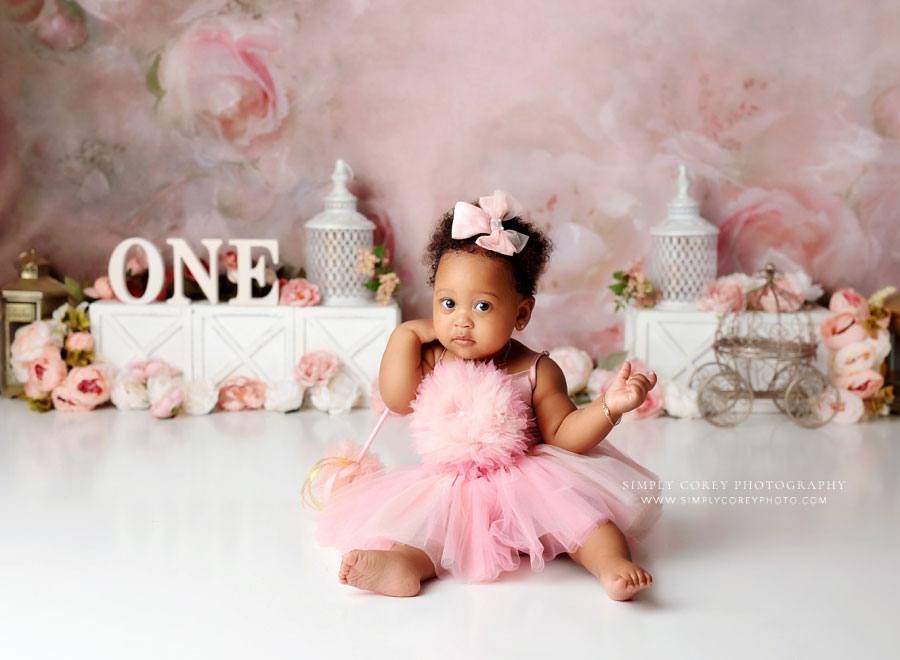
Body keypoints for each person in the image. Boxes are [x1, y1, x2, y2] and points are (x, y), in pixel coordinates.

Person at [313, 190, 663, 599]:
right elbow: (396, 399)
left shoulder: (536, 369)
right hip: (454, 485)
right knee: (431, 530)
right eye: (447, 303)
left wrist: (609, 406)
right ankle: (403, 566)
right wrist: (406, 333)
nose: (461, 320)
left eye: (482, 307)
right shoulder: (436, 357)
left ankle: (611, 565)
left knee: (590, 525)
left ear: (521, 314)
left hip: (531, 485)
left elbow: (565, 435)